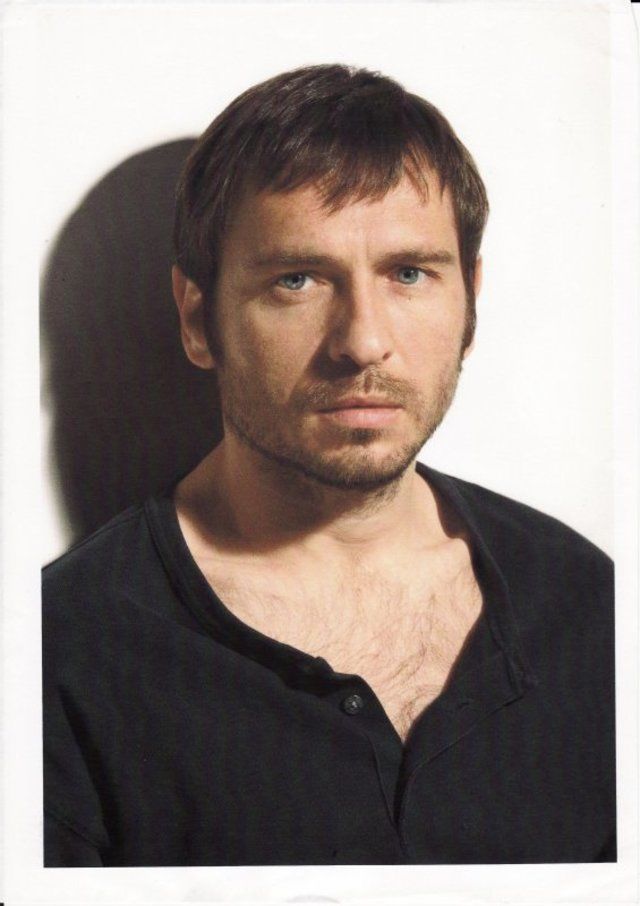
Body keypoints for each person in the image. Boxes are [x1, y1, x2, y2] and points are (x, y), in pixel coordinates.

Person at [42, 64, 615, 867]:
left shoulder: (588, 605)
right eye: (298, 280)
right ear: (198, 319)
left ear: (470, 303)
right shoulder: (58, 654)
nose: (363, 341)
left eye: (409, 274)